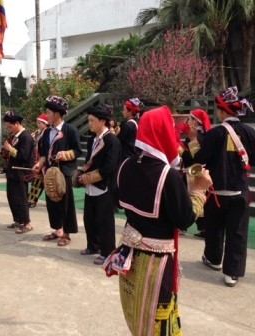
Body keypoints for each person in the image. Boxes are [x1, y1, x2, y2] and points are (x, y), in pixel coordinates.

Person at [103, 106, 212, 336]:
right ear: (162, 133)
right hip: (156, 261)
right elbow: (185, 219)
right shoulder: (167, 175)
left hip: (130, 255)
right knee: (156, 320)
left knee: (137, 314)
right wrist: (199, 190)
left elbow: (118, 200)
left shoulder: (126, 165)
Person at [189, 86, 255, 287]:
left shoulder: (215, 133)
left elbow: (201, 160)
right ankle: (232, 273)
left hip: (216, 191)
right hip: (239, 190)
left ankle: (213, 259)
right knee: (237, 232)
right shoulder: (249, 132)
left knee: (214, 228)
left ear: (221, 110)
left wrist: (193, 142)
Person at [32, 96, 82, 246]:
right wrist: (39, 164)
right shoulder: (46, 133)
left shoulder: (70, 130)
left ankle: (66, 233)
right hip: (49, 172)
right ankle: (58, 229)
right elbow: (43, 153)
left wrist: (65, 155)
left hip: (64, 172)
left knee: (65, 204)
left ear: (57, 114)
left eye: (48, 112)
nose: (46, 115)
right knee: (51, 202)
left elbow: (78, 151)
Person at [78, 104, 121, 265]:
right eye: (88, 120)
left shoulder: (112, 141)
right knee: (89, 218)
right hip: (91, 187)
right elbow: (89, 161)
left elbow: (109, 167)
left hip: (105, 186)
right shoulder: (92, 140)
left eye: (92, 120)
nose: (89, 123)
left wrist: (88, 178)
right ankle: (93, 246)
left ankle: (107, 251)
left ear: (103, 121)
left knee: (105, 222)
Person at [179, 109, 211, 239]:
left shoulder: (198, 137)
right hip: (191, 172)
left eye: (191, 119)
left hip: (194, 173)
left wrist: (180, 150)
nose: (188, 121)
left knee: (188, 198)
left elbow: (196, 158)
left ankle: (183, 224)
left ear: (197, 122)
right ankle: (202, 228)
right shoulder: (200, 135)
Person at [2, 111, 35, 234]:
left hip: (21, 172)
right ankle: (18, 220)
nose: (9, 129)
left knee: (21, 198)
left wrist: (10, 149)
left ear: (17, 124)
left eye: (10, 126)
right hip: (12, 172)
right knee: (12, 197)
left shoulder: (26, 137)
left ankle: (27, 223)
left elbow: (23, 156)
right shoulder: (15, 137)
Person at [28, 113, 49, 208]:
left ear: (45, 124)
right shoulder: (38, 132)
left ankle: (32, 200)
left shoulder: (47, 133)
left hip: (45, 161)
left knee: (42, 182)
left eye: (40, 123)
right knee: (37, 180)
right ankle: (31, 199)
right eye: (38, 123)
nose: (38, 125)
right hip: (38, 159)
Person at [115, 97, 143, 162]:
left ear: (130, 112)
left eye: (124, 110)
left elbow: (118, 142)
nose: (122, 112)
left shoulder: (128, 125)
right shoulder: (135, 124)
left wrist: (115, 135)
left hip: (125, 158)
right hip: (132, 156)